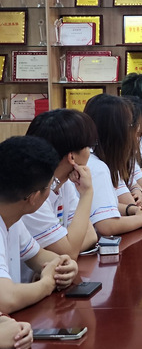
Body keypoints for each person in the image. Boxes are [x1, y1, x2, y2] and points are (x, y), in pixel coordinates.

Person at [0, 136, 78, 314]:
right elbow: (5, 299)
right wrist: (47, 283)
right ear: (34, 197)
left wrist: (65, 266)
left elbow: (38, 256)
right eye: (50, 186)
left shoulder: (13, 218)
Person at [22, 109, 98, 260]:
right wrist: (87, 193)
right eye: (88, 147)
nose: (90, 152)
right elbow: (69, 252)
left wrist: (70, 246)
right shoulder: (32, 194)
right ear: (72, 157)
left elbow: (91, 236)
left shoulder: (63, 183)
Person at [83, 94, 142, 236]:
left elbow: (100, 206)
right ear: (116, 132)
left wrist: (132, 210)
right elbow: (106, 226)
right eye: (130, 126)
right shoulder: (97, 167)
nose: (134, 132)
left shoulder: (102, 159)